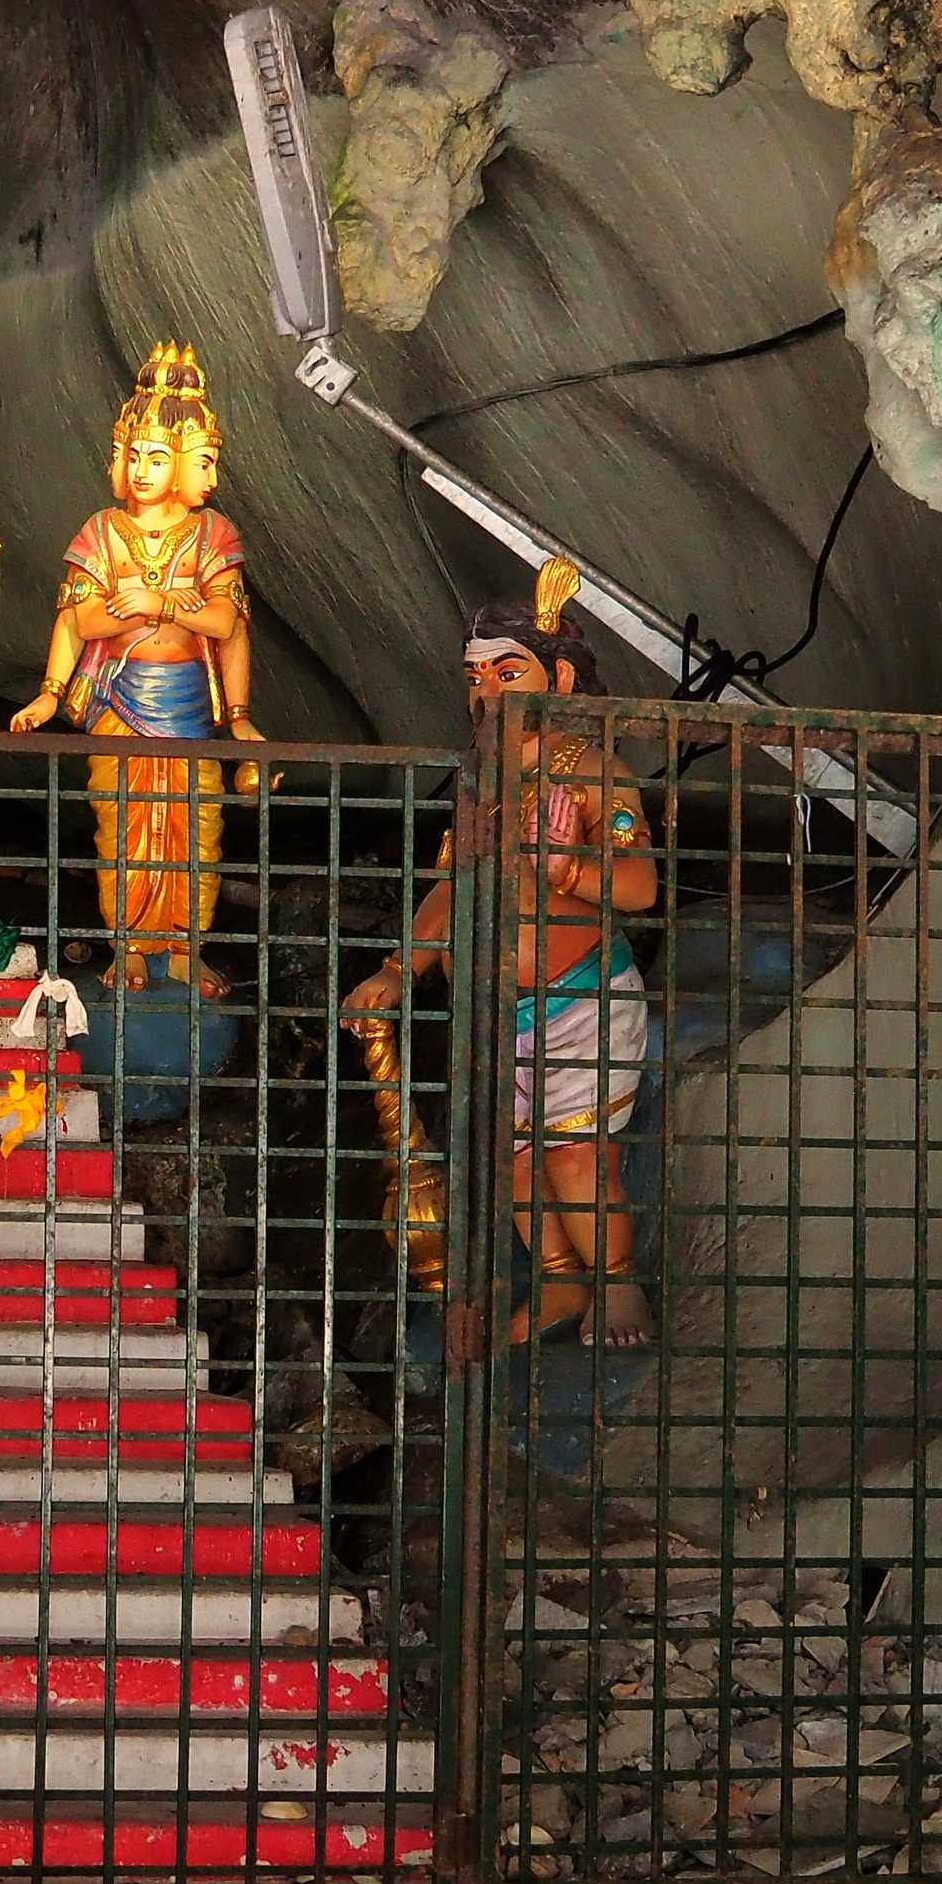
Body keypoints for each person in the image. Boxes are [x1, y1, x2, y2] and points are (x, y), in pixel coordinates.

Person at [342, 558, 657, 1348]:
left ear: (559, 677)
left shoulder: (596, 774)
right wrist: (399, 968)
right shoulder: (479, 784)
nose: (486, 692)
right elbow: (453, 886)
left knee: (577, 1157)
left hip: (583, 998)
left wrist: (566, 870)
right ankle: (558, 1281)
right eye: (474, 676)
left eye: (507, 672)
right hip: (497, 1009)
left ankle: (618, 1288)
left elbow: (641, 887)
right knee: (514, 1161)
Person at [9, 342, 264, 994]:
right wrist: (48, 694)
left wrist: (237, 715)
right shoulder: (101, 531)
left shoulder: (213, 535)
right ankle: (127, 947)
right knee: (123, 829)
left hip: (188, 707)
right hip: (119, 703)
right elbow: (80, 620)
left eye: (159, 458)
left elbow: (228, 624)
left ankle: (184, 949)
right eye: (135, 455)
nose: (143, 470)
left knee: (193, 829)